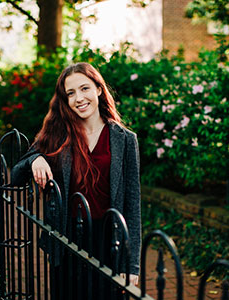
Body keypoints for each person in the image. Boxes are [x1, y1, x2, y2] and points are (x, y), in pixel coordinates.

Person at [11, 62, 141, 298]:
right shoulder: (58, 135)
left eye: (85, 88)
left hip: (109, 241)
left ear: (99, 90)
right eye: (71, 93)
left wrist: (131, 265)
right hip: (67, 238)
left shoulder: (126, 140)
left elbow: (133, 206)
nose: (79, 98)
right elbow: (15, 175)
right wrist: (35, 160)